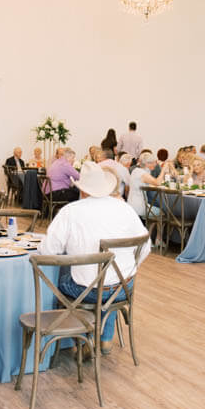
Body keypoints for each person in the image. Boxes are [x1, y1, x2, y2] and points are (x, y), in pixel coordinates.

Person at [38, 162, 151, 353]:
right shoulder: (124, 208)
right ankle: (105, 339)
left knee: (65, 277)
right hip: (124, 288)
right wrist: (130, 269)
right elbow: (145, 245)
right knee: (110, 277)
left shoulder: (70, 211)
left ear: (82, 190)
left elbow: (49, 250)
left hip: (86, 290)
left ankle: (84, 338)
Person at [126, 151, 167, 218]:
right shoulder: (142, 173)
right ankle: (150, 224)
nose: (155, 164)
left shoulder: (136, 171)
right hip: (139, 207)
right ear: (147, 163)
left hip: (131, 204)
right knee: (163, 212)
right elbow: (158, 183)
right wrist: (163, 169)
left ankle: (146, 223)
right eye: (154, 162)